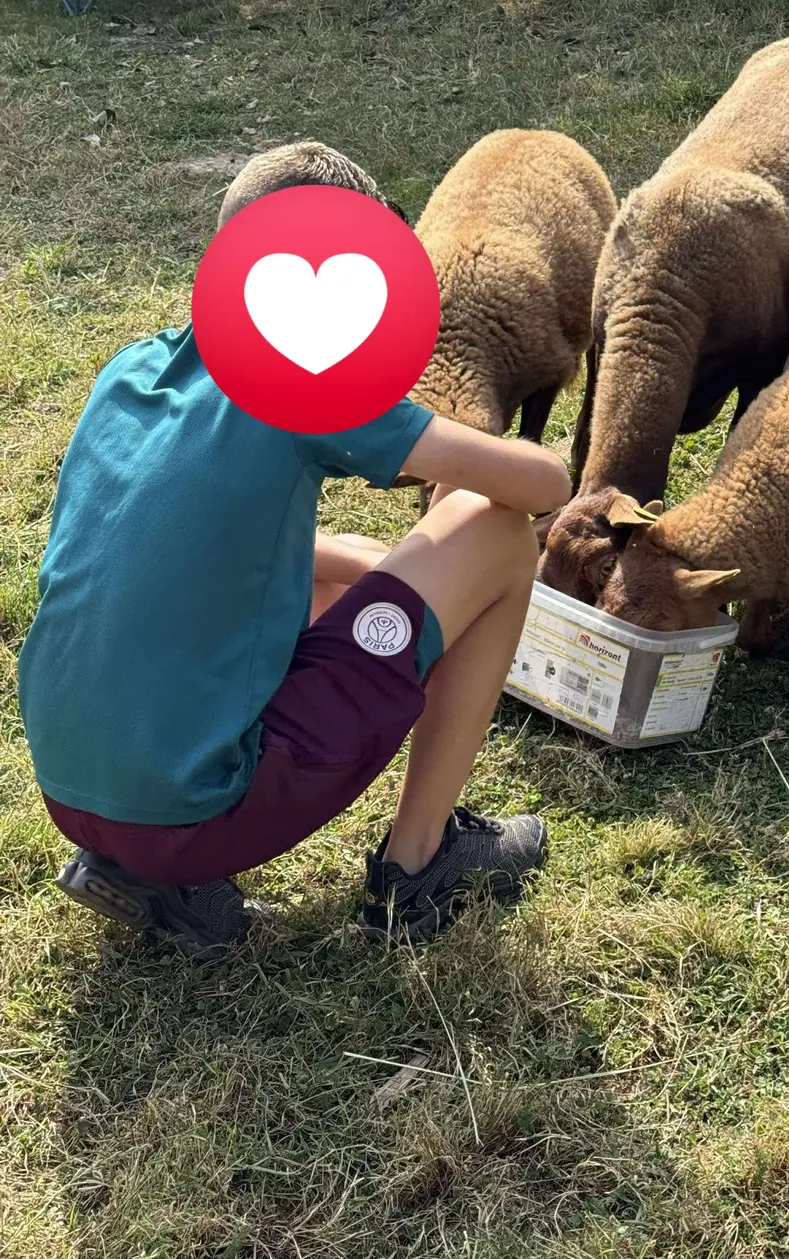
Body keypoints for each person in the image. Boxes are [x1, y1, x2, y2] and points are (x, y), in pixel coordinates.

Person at [16, 142, 572, 955]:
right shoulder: (303, 383)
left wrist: (380, 570)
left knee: (342, 559)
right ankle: (420, 865)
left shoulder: (130, 369)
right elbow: (544, 482)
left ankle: (152, 872)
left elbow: (195, 555)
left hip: (75, 792)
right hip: (195, 815)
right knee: (497, 536)